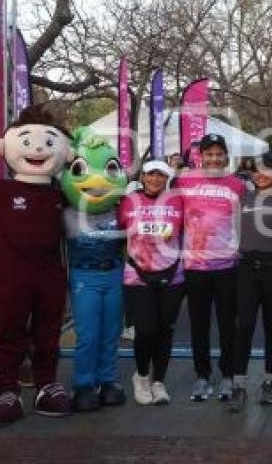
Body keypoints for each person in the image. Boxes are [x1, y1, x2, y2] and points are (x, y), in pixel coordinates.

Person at [0, 105, 74, 424]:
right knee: (11, 335)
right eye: (29, 141)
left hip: (50, 277)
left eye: (48, 143)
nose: (37, 149)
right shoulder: (0, 188)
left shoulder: (60, 193)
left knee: (48, 334)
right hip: (10, 278)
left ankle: (46, 385)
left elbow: (82, 216)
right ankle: (8, 390)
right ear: (7, 147)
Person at [62, 128, 128, 412]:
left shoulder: (122, 209)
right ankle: (84, 384)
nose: (99, 179)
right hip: (84, 277)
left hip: (114, 274)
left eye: (110, 169)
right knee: (88, 335)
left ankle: (107, 380)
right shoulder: (66, 212)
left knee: (111, 332)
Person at [176, 133, 246, 402]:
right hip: (195, 266)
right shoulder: (184, 181)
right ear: (201, 156)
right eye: (209, 154)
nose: (214, 158)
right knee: (199, 325)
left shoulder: (237, 185)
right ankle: (202, 375)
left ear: (225, 156)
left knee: (228, 324)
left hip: (228, 265)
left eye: (219, 154)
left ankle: (227, 375)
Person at [229, 152, 272, 412]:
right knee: (243, 326)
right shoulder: (244, 198)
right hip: (246, 268)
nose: (261, 174)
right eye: (256, 170)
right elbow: (234, 231)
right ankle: (238, 384)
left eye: (267, 169)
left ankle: (269, 381)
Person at [118, 160, 185, 405]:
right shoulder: (129, 202)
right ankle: (142, 375)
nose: (155, 179)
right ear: (143, 177)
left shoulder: (177, 200)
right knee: (146, 330)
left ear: (167, 178)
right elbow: (119, 233)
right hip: (137, 275)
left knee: (165, 328)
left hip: (173, 274)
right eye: (150, 175)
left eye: (160, 175)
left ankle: (159, 382)